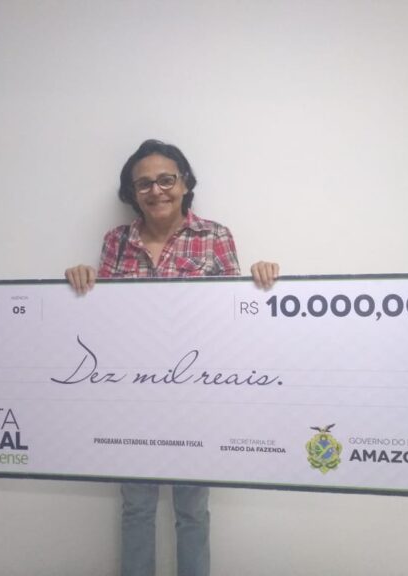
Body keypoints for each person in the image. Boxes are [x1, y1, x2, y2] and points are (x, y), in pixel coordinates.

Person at [65, 139, 278, 576]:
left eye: (166, 179)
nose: (156, 190)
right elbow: (104, 320)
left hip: (196, 399)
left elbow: (231, 317)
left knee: (192, 510)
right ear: (132, 193)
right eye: (143, 183)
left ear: (184, 184)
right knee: (137, 508)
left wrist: (258, 281)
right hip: (132, 398)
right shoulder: (116, 241)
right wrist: (82, 280)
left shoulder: (215, 236)